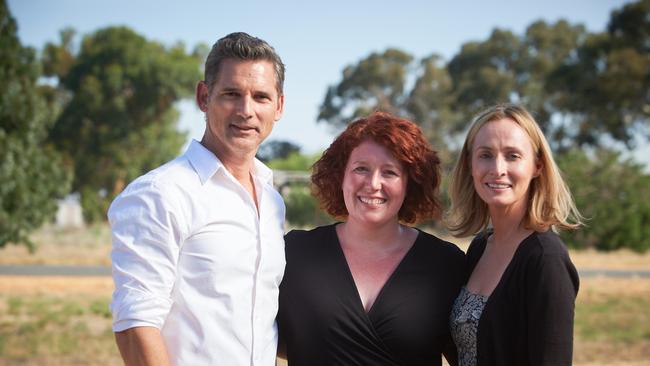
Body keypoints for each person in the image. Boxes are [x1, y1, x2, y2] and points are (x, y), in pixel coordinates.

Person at [108, 32, 286, 366]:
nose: (246, 110)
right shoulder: (160, 194)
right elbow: (135, 325)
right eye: (231, 94)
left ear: (279, 106)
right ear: (204, 97)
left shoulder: (272, 199)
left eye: (261, 97)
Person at [278, 112, 465, 366]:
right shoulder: (295, 253)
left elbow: (468, 355)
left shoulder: (445, 264)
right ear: (340, 176)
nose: (373, 184)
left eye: (389, 172)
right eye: (361, 169)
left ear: (410, 183)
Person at [446, 103, 582, 366]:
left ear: (537, 167)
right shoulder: (479, 247)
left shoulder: (545, 259)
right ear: (470, 164)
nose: (497, 168)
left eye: (512, 156)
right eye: (485, 155)